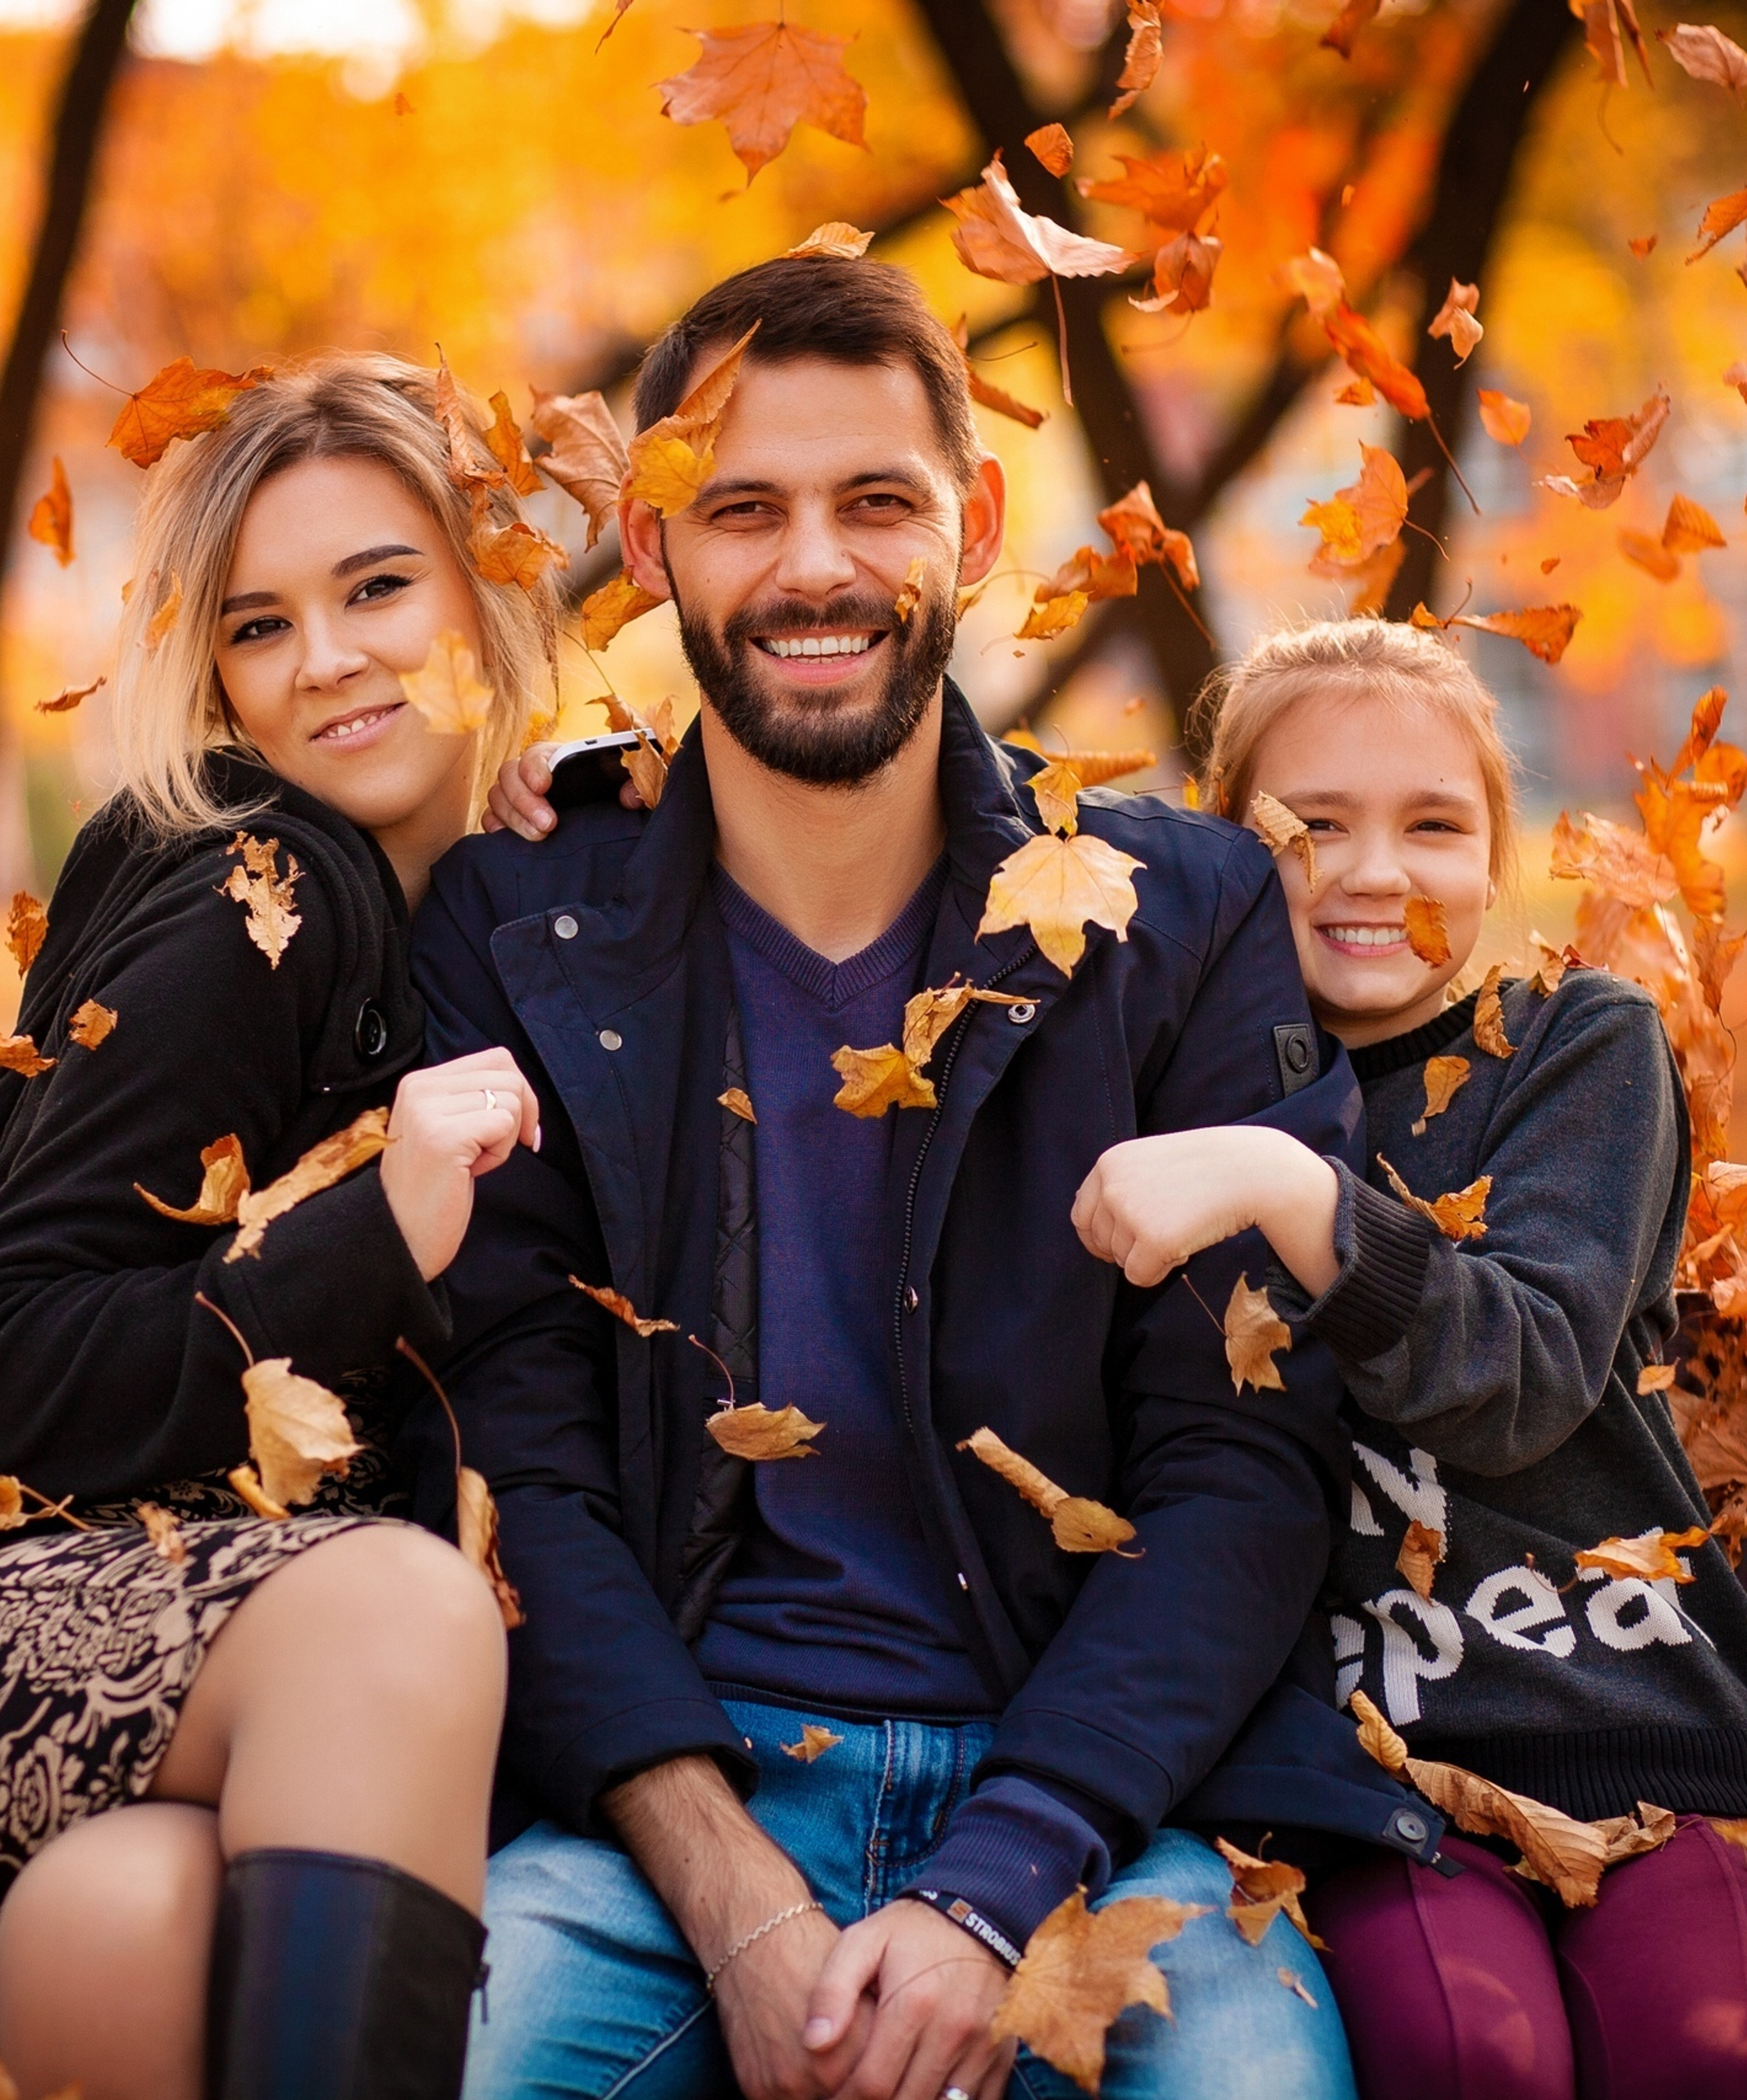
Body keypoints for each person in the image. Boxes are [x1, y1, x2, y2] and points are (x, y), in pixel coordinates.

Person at [413, 256, 1439, 2100]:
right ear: (649, 548)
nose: (814, 568)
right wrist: (731, 1895)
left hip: (1104, 1806)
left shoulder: (1182, 917)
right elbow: (522, 1465)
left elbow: (1239, 1469)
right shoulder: (519, 924)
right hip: (669, 1805)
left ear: (972, 522)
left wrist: (995, 1877)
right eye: (743, 509)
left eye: (876, 501)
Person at [0, 354, 557, 2100]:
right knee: (399, 1609)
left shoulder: (476, 896)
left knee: (130, 1915)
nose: (326, 660)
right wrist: (375, 1232)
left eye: (378, 588)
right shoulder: (259, 900)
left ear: (489, 592)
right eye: (259, 626)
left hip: (140, 1768)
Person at [1071, 619, 1747, 2098]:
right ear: (1228, 854)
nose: (1373, 871)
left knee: (1706, 2043)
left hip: (1631, 1732)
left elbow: (1523, 1375)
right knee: (1468, 2051)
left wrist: (1288, 1189)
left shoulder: (1578, 1048)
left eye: (1434, 825)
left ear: (1494, 859)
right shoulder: (1173, 1093)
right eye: (1311, 826)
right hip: (1366, 1781)